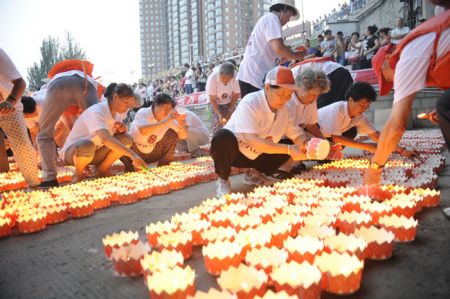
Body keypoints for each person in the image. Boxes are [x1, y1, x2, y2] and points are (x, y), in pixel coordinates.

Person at [363, 5, 449, 190]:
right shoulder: (416, 48)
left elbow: (396, 125)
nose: (393, 84)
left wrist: (375, 167)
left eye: (387, 79)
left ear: (387, 61)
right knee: (444, 107)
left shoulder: (406, 58)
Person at [211, 66, 308, 197]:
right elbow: (251, 140)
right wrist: (290, 149)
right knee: (222, 137)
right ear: (267, 88)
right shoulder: (251, 102)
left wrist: (306, 147)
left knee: (291, 143)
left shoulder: (286, 110)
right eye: (281, 94)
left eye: (289, 95)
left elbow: (297, 134)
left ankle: (255, 174)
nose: (285, 100)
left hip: (260, 154)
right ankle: (223, 179)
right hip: (237, 151)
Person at [59, 83, 145, 182]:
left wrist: (119, 131)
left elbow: (115, 138)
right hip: (75, 153)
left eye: (129, 106)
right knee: (87, 145)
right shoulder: (97, 111)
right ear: (115, 97)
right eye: (126, 103)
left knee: (126, 139)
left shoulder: (117, 115)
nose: (127, 108)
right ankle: (78, 173)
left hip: (95, 152)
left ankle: (102, 170)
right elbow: (106, 139)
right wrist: (133, 155)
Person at [37, 59, 101, 188]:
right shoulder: (88, 76)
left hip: (57, 85)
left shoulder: (56, 78)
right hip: (85, 83)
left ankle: (49, 178)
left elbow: (71, 126)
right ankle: (99, 167)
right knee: (99, 126)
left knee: (44, 134)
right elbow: (76, 127)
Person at [318, 82, 417, 157]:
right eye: (361, 105)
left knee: (352, 131)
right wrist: (367, 146)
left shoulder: (360, 116)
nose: (364, 109)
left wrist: (401, 150)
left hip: (329, 138)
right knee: (347, 135)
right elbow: (337, 138)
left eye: (367, 106)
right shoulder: (337, 110)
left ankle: (326, 153)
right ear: (350, 100)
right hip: (313, 135)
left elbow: (376, 136)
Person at [237, 0, 305, 98]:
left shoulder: (269, 20)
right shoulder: (272, 19)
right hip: (254, 75)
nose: (289, 20)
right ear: (282, 9)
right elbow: (279, 48)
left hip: (253, 74)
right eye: (289, 15)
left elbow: (276, 57)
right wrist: (295, 55)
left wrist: (289, 56)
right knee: (256, 110)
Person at [0, 48, 39, 186]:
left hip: (9, 106)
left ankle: (34, 184)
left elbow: (21, 83)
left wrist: (10, 101)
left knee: (22, 146)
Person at [124, 93, 188, 170]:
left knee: (172, 133)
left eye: (170, 108)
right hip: (134, 153)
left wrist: (181, 124)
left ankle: (164, 167)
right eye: (165, 107)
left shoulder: (168, 119)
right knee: (122, 140)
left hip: (153, 152)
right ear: (156, 105)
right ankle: (130, 168)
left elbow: (183, 136)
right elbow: (144, 131)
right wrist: (166, 121)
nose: (168, 111)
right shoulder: (143, 112)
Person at [206, 62, 241, 133]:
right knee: (217, 123)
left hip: (229, 100)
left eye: (228, 79)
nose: (225, 81)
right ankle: (217, 140)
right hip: (214, 101)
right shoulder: (212, 78)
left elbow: (235, 94)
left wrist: (230, 110)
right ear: (220, 74)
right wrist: (219, 114)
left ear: (232, 76)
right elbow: (212, 99)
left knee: (232, 121)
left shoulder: (236, 76)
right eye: (223, 78)